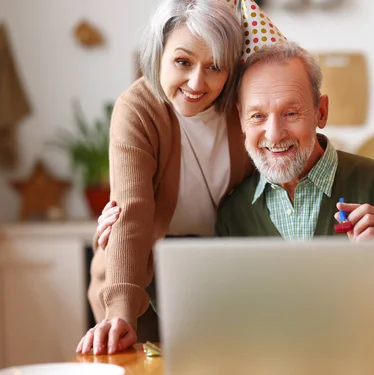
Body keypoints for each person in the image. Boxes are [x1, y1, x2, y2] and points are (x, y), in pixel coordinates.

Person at [96, 42, 374, 307]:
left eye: (291, 113)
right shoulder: (234, 212)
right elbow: (216, 316)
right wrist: (124, 244)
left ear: (320, 112)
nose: (274, 135)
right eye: (257, 116)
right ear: (240, 118)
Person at [76, 0, 254, 356]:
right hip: (141, 267)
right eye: (183, 62)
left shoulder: (243, 105)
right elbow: (133, 210)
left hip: (218, 273)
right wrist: (121, 314)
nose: (196, 82)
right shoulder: (138, 109)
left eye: (214, 66)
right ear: (159, 54)